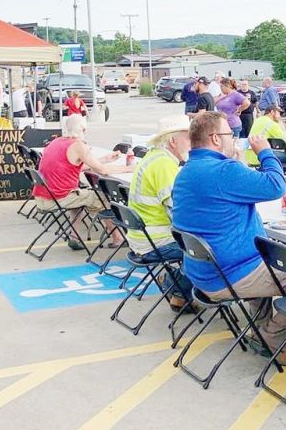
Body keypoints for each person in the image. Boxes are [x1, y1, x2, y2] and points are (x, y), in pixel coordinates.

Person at [172, 111, 286, 366]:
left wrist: (236, 160)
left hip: (202, 271)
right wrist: (265, 152)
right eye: (230, 135)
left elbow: (238, 190)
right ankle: (272, 336)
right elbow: (276, 186)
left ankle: (260, 331)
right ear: (215, 139)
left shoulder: (188, 171)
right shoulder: (222, 171)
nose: (234, 139)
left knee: (268, 261)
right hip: (231, 274)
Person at [33, 115, 134, 250]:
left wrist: (104, 159)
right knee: (102, 197)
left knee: (80, 197)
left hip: (43, 196)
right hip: (57, 197)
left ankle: (74, 236)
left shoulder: (56, 142)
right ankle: (118, 238)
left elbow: (75, 165)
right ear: (84, 129)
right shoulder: (78, 145)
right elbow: (103, 171)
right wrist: (129, 168)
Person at [127, 116, 193, 312]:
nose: (192, 143)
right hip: (157, 240)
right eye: (188, 138)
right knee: (206, 250)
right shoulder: (164, 165)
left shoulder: (153, 157)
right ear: (173, 141)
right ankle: (179, 291)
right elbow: (178, 212)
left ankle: (175, 286)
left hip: (142, 237)